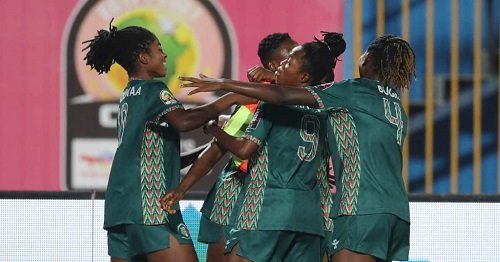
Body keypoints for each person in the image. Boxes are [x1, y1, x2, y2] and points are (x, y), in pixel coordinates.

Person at [180, 34, 416, 262]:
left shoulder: (350, 91)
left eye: (289, 61)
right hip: (392, 212)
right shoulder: (396, 108)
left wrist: (224, 85)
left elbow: (279, 100)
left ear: (370, 61)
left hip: (354, 208)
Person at [82, 21, 246, 262]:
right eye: (158, 48)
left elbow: (155, 156)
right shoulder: (153, 90)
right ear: (143, 57)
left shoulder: (129, 94)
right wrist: (229, 99)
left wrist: (214, 145)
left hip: (120, 207)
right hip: (150, 204)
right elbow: (185, 121)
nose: (165, 53)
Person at [190, 32, 346, 262]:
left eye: (290, 61)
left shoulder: (268, 103)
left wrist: (215, 125)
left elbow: (237, 150)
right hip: (310, 215)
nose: (281, 67)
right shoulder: (330, 107)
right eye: (285, 59)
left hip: (264, 208)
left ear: (304, 76)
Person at [160, 32, 298, 262]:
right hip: (236, 195)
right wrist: (183, 188)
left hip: (285, 204)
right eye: (291, 55)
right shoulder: (253, 100)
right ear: (274, 66)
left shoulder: (311, 96)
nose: (298, 57)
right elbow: (217, 149)